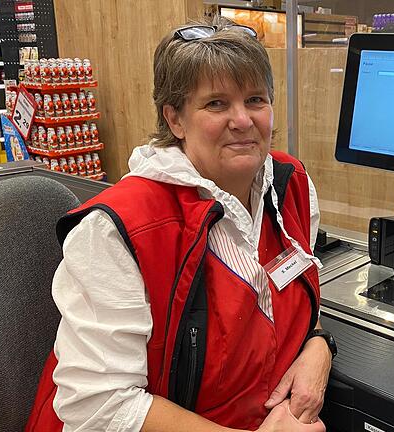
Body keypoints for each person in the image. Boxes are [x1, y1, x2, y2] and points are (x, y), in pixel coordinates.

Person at [26, 19, 333, 432]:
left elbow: (298, 295)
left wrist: (319, 345)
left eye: (256, 99)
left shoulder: (291, 184)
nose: (243, 120)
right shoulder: (119, 230)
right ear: (175, 119)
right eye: (216, 104)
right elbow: (99, 407)